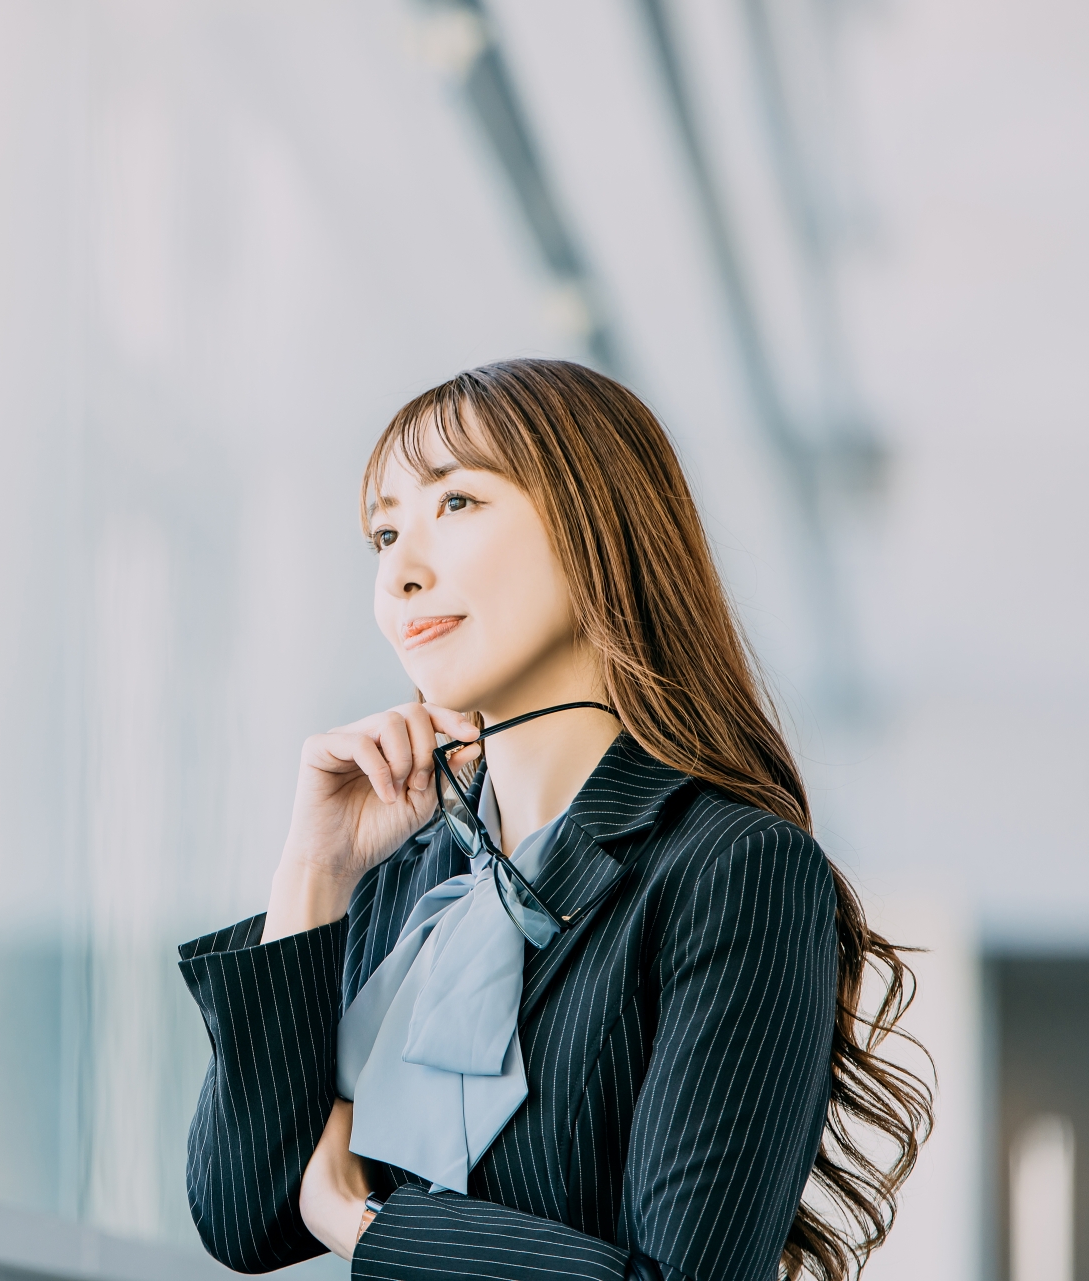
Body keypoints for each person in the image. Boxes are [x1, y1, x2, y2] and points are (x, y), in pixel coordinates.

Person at [179, 359, 930, 1281]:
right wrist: (314, 870)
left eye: (455, 503)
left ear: (595, 524)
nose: (401, 573)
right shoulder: (410, 879)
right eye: (384, 531)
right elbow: (243, 1216)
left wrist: (369, 1225)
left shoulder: (736, 869)